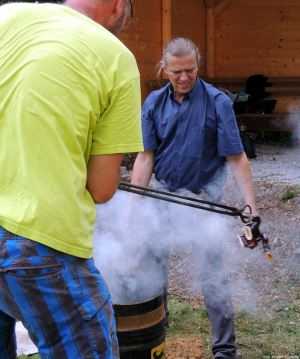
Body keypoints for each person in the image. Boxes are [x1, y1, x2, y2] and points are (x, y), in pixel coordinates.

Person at [0, 1, 143, 358]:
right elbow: (102, 187)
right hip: (36, 240)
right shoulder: (116, 57)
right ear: (116, 5)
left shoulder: (6, 15)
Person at [131, 37, 261, 359]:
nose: (184, 77)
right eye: (177, 71)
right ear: (165, 68)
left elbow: (237, 158)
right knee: (152, 271)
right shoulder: (153, 104)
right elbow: (145, 158)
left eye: (190, 70)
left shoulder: (218, 103)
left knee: (212, 275)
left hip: (206, 201)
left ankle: (224, 350)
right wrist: (131, 212)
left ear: (197, 66)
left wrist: (251, 208)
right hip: (163, 197)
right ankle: (157, 333)